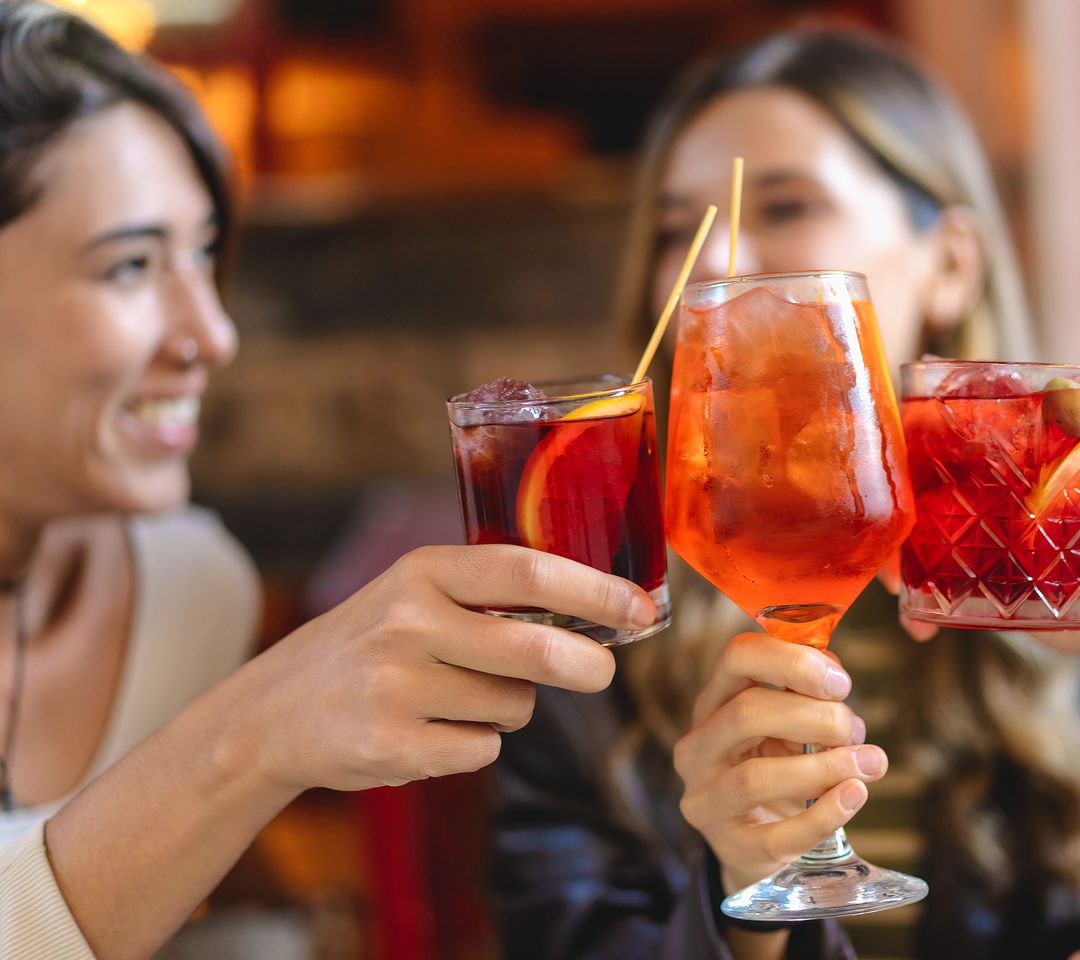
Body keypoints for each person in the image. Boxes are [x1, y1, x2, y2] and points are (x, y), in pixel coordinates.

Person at [488, 27, 1080, 960]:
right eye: (676, 229)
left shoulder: (1071, 554)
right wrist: (738, 914)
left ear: (950, 264)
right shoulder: (593, 625)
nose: (714, 259)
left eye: (786, 206)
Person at [0, 4, 655, 956]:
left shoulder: (186, 591)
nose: (212, 336)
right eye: (132, 266)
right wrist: (250, 736)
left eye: (202, 255)